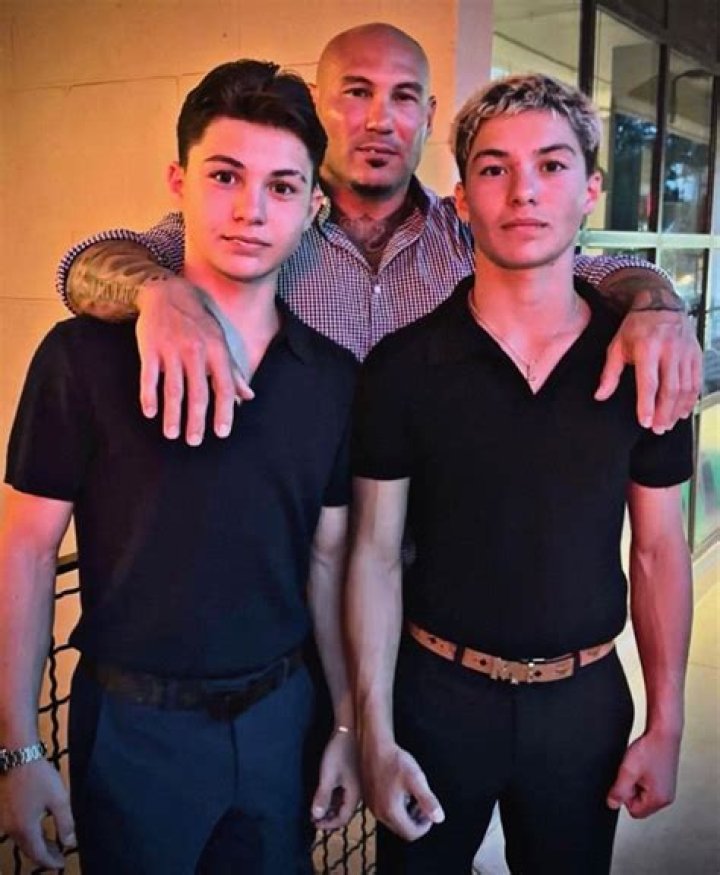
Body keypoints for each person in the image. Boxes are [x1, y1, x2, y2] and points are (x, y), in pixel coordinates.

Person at [0, 60, 359, 874]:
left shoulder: (332, 379)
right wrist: (19, 749)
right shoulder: (82, 357)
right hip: (133, 727)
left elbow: (330, 561)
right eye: (224, 176)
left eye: (281, 186)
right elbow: (23, 550)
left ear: (312, 206)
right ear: (179, 182)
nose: (250, 209)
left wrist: (345, 723)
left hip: (281, 721)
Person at [347, 73, 693, 875]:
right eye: (495, 168)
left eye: (552, 165)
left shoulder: (644, 360)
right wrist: (374, 732)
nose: (523, 191)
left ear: (590, 190)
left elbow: (658, 550)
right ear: (462, 201)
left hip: (584, 703)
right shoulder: (402, 367)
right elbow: (372, 554)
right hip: (435, 699)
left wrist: (667, 721)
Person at [55, 23, 700, 446]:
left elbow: (593, 270)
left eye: (404, 98)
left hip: (427, 557)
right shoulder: (266, 225)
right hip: (285, 543)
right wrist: (157, 294)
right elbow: (88, 267)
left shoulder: (468, 231)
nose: (380, 122)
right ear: (317, 102)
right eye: (358, 93)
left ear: (429, 116)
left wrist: (658, 307)